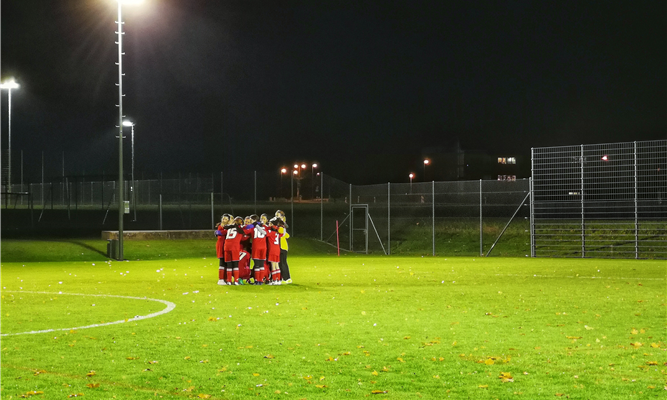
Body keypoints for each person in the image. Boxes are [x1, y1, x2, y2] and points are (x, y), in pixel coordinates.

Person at [223, 216, 246, 285]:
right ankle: (236, 281)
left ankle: (229, 281)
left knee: (229, 264)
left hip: (226, 246)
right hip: (234, 247)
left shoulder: (229, 227)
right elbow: (242, 233)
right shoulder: (240, 228)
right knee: (235, 264)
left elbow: (225, 227)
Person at [248, 214, 267, 285]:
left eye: (251, 220)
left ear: (254, 220)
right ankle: (261, 280)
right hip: (263, 247)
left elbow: (245, 232)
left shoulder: (252, 228)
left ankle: (257, 280)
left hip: (256, 247)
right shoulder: (265, 227)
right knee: (261, 265)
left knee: (257, 265)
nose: (250, 222)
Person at [275, 210, 292, 284]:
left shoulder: (281, 226)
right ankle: (282, 277)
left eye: (278, 216)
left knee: (283, 262)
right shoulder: (279, 226)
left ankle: (287, 278)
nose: (277, 217)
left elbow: (284, 233)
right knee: (279, 263)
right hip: (278, 246)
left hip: (282, 246)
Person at [216, 214, 232, 285]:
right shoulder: (221, 226)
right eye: (223, 218)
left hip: (226, 246)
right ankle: (221, 279)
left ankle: (225, 279)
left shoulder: (228, 227)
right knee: (222, 262)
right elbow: (223, 232)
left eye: (225, 219)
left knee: (226, 262)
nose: (223, 220)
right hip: (221, 245)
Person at [266, 217, 283, 285]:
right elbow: (282, 233)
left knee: (273, 265)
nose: (268, 224)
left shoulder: (271, 232)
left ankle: (274, 280)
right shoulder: (277, 232)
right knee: (277, 265)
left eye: (270, 223)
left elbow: (265, 233)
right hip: (277, 249)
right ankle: (278, 280)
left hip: (272, 250)